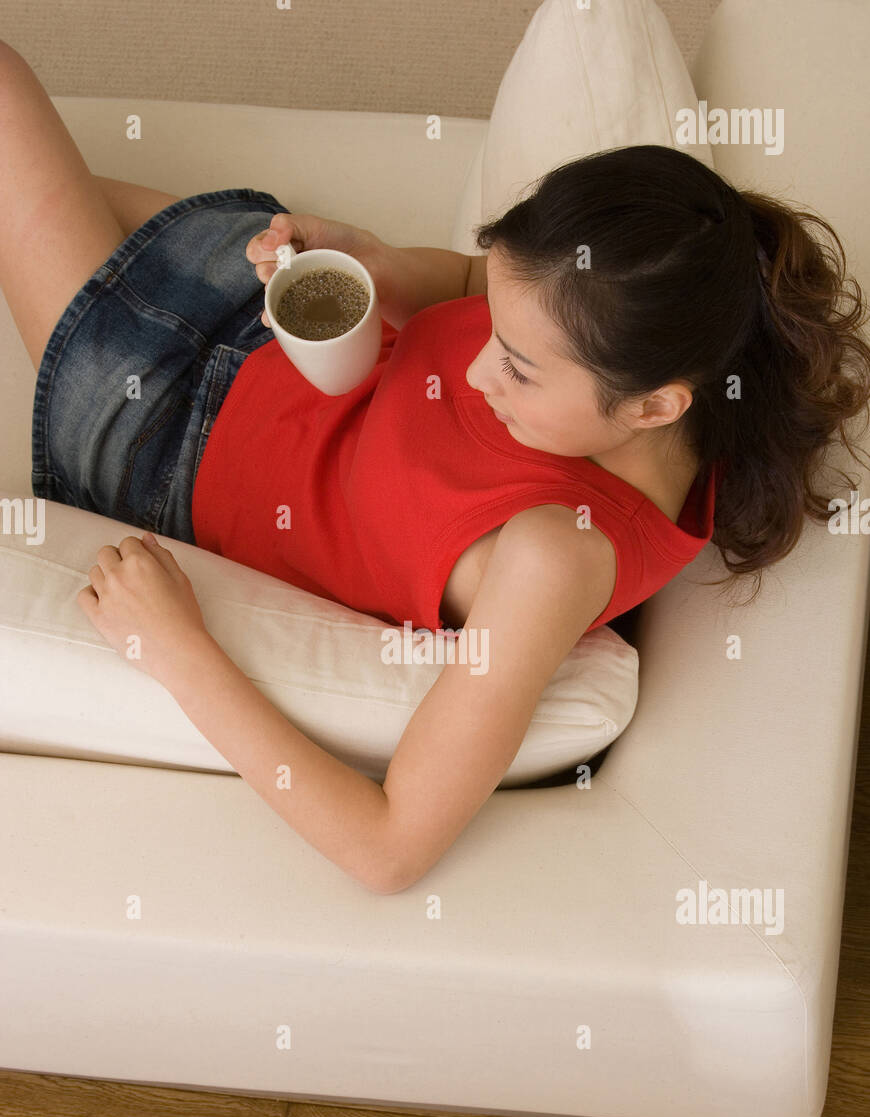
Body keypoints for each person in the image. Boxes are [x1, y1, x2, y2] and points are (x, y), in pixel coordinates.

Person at [3, 39, 869, 892]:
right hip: (266, 313)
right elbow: (460, 277)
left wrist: (175, 649)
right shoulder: (641, 349)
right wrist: (374, 261)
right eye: (494, 327)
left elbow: (389, 849)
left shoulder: (554, 555)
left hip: (158, 425)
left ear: (654, 406)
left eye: (518, 370)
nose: (474, 367)